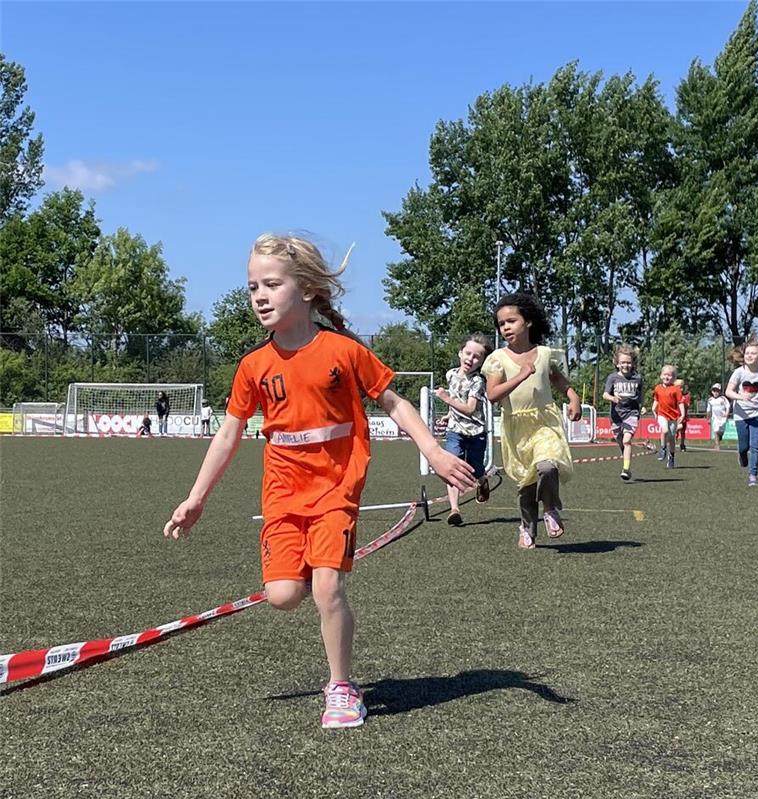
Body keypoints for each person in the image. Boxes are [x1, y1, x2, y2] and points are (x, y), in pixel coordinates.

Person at [163, 233, 474, 729]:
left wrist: (433, 450)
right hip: (283, 492)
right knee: (283, 596)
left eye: (271, 284)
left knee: (327, 588)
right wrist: (196, 498)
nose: (259, 296)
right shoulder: (253, 366)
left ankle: (342, 688)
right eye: (251, 287)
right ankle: (312, 564)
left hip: (338, 487)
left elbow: (394, 402)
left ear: (306, 289)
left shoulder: (343, 351)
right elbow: (228, 433)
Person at [482, 291, 581, 549]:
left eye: (511, 321)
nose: (505, 327)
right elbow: (492, 395)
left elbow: (556, 378)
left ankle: (550, 510)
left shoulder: (545, 353)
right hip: (516, 427)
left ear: (528, 322)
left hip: (545, 420)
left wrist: (573, 398)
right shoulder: (497, 359)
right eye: (501, 324)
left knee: (548, 466)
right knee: (527, 483)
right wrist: (520, 376)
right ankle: (527, 527)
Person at [435, 334, 493, 526]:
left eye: (477, 356)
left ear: (482, 361)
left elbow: (469, 408)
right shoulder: (450, 374)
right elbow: (456, 401)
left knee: (476, 469)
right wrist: (449, 415)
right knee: (453, 465)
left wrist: (446, 399)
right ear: (460, 353)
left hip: (475, 432)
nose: (470, 359)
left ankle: (482, 480)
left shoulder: (478, 381)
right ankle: (454, 509)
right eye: (468, 353)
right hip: (455, 431)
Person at [725, 340, 758, 486]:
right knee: (744, 446)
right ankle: (742, 455)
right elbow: (728, 392)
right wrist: (741, 397)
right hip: (741, 414)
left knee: (755, 445)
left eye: (753, 353)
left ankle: (753, 475)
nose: (750, 356)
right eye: (747, 353)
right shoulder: (739, 373)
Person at [602, 343, 643, 482]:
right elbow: (605, 395)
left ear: (633, 364)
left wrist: (642, 406)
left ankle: (626, 469)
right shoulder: (612, 378)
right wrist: (613, 398)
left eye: (628, 362)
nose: (625, 365)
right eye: (623, 362)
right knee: (620, 440)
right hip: (616, 416)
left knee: (627, 440)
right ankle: (624, 452)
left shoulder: (637, 379)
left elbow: (640, 396)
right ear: (617, 364)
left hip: (631, 413)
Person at [652, 365, 685, 469]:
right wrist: (653, 409)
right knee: (664, 430)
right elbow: (656, 400)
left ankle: (671, 457)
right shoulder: (658, 388)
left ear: (673, 377)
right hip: (662, 414)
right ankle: (663, 448)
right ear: (661, 376)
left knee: (671, 439)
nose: (667, 377)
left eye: (669, 375)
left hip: (673, 416)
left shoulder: (676, 389)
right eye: (665, 374)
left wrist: (682, 414)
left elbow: (680, 402)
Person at [705, 383, 730, 451]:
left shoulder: (723, 399)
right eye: (714, 390)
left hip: (723, 418)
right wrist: (708, 418)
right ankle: (717, 445)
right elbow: (709, 410)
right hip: (715, 418)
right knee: (716, 431)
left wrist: (727, 413)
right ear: (712, 391)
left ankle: (719, 438)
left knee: (720, 432)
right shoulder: (710, 400)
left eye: (717, 391)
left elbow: (728, 406)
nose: (715, 392)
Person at [677, 380, 692, 451]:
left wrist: (683, 403)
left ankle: (682, 444)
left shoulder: (686, 395)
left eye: (682, 388)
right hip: (676, 415)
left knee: (683, 431)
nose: (681, 389)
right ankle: (672, 443)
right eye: (679, 388)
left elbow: (688, 405)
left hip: (683, 416)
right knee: (678, 428)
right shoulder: (674, 395)